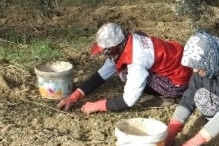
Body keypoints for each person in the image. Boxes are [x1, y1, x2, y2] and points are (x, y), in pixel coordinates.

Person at [56, 23, 193, 114]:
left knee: (124, 74)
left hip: (179, 82)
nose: (106, 55)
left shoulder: (136, 59)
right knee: (120, 68)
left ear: (116, 45)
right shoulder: (128, 41)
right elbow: (102, 74)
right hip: (180, 65)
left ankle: (173, 95)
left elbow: (129, 100)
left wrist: (96, 106)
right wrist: (74, 96)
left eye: (106, 51)